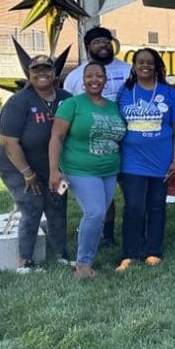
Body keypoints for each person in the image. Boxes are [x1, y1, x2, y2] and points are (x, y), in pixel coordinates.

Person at [0, 55, 73, 272]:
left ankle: (61, 254)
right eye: (36, 70)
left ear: (54, 73)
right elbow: (9, 143)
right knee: (32, 206)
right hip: (17, 164)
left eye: (46, 69)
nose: (42, 74)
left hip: (52, 163)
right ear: (29, 74)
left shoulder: (66, 98)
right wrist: (27, 174)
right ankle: (25, 261)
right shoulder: (19, 101)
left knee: (57, 205)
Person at [49, 63, 127, 278]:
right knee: (95, 212)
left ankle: (88, 256)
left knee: (98, 215)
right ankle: (82, 266)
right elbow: (56, 138)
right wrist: (54, 171)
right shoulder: (72, 104)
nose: (95, 79)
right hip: (79, 169)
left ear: (106, 80)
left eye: (99, 76)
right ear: (83, 80)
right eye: (90, 76)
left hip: (109, 169)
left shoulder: (112, 106)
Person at [115, 49, 175, 272]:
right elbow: (117, 123)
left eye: (150, 62)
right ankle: (130, 253)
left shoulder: (169, 92)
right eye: (140, 62)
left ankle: (153, 251)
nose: (145, 65)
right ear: (134, 66)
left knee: (156, 206)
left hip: (161, 160)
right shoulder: (125, 91)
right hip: (131, 160)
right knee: (134, 206)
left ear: (157, 66)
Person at [62, 26, 132, 247]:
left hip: (128, 142)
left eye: (106, 41)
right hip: (91, 148)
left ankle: (135, 230)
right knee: (102, 196)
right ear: (88, 47)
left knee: (131, 191)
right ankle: (107, 236)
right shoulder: (74, 77)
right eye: (97, 42)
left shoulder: (129, 70)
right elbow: (66, 111)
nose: (102, 45)